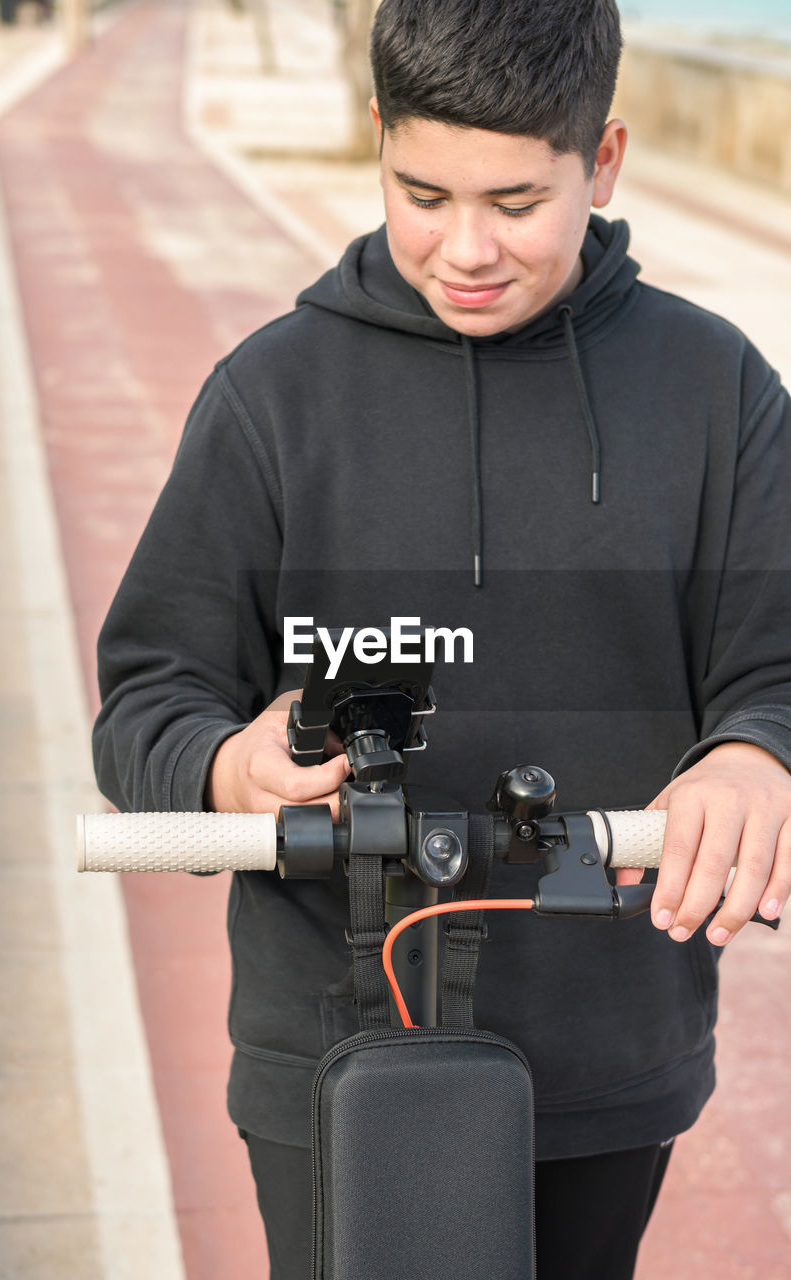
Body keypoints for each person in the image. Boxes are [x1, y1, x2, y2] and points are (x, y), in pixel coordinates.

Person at [92, 1, 791, 1276]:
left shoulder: (718, 390)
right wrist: (223, 768)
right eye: (422, 191)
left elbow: (775, 665)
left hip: (610, 1046)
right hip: (332, 1046)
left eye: (516, 203)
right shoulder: (269, 397)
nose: (463, 247)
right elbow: (147, 696)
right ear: (377, 140)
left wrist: (755, 755)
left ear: (607, 159)